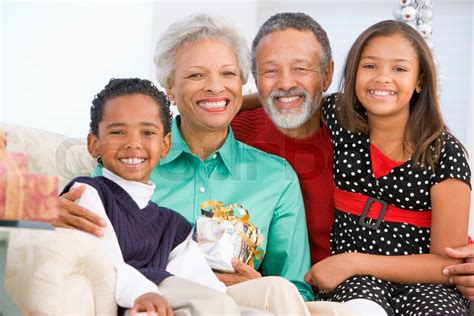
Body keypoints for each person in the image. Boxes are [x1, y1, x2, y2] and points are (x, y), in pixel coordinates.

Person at [55, 14, 314, 315]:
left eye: (228, 74)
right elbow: (96, 236)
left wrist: (256, 281)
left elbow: (298, 291)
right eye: (195, 75)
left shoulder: (277, 177)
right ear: (170, 89)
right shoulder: (133, 162)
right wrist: (46, 216)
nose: (215, 87)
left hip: (240, 299)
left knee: (277, 290)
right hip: (155, 295)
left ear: (242, 85)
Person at [304, 20, 471, 315]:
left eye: (399, 69)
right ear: (353, 73)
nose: (382, 78)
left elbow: (447, 262)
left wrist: (352, 260)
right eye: (370, 66)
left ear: (420, 81)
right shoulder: (339, 119)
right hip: (356, 283)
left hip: (424, 284)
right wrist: (237, 100)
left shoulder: (445, 153)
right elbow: (290, 99)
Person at [62, 78, 234, 315]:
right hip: (134, 298)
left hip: (171, 297)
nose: (133, 143)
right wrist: (141, 292)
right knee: (217, 305)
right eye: (118, 132)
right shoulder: (88, 193)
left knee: (274, 292)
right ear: (94, 144)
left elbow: (204, 284)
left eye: (147, 132)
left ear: (165, 145)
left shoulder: (172, 224)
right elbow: (102, 259)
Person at [231, 12, 335, 267]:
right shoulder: (232, 131)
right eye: (270, 71)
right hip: (263, 290)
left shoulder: (354, 130)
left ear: (327, 74)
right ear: (255, 79)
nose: (286, 83)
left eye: (300, 68)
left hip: (346, 290)